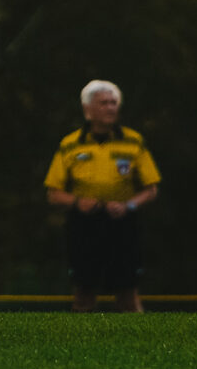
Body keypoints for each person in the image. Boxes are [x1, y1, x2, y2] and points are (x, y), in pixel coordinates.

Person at [43, 79, 161, 312]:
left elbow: (151, 189)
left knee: (127, 291)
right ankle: (81, 335)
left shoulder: (133, 141)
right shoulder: (70, 144)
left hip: (123, 224)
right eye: (104, 103)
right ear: (87, 109)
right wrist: (78, 202)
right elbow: (53, 193)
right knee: (84, 292)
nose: (110, 108)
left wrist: (129, 206)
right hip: (84, 225)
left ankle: (138, 335)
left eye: (113, 103)